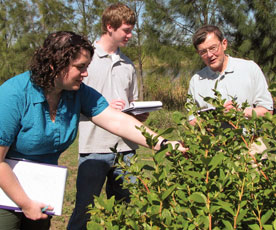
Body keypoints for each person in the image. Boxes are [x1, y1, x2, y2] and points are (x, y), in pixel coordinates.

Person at [0, 31, 187, 230]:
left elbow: (117, 121)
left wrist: (164, 144)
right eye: (80, 67)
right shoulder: (13, 95)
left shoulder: (76, 92)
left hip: (42, 189)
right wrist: (25, 203)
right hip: (6, 189)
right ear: (55, 65)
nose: (86, 74)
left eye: (87, 67)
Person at [67, 3, 149, 230]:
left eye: (132, 30)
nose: (130, 35)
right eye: (126, 30)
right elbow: (73, 105)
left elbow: (133, 102)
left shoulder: (128, 65)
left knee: (126, 208)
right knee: (84, 208)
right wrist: (102, 108)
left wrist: (138, 114)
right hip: (95, 147)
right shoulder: (85, 61)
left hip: (127, 150)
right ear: (109, 27)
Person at [188, 25, 273, 126]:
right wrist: (215, 117)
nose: (209, 55)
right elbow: (192, 121)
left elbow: (267, 111)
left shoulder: (250, 69)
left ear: (224, 44)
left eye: (213, 48)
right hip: (213, 141)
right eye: (203, 52)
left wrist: (239, 111)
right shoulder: (196, 81)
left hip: (250, 140)